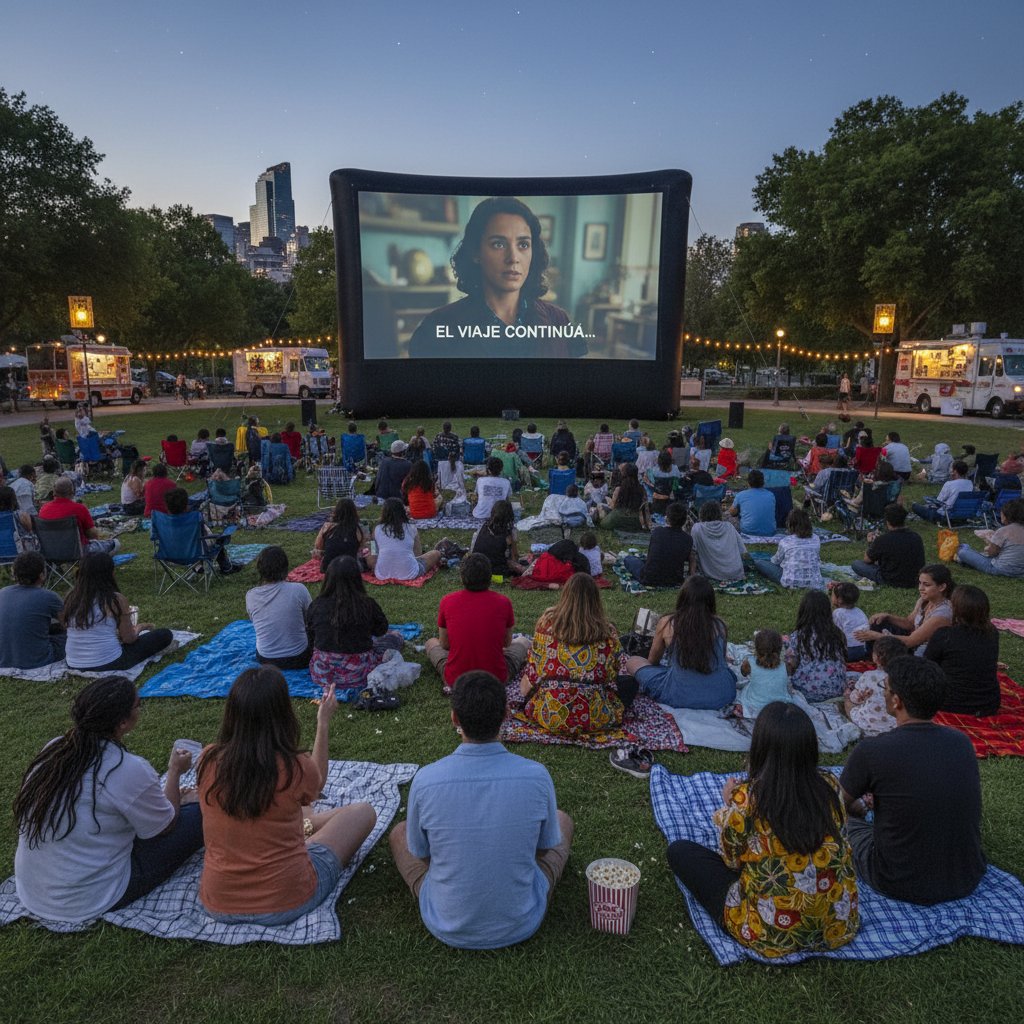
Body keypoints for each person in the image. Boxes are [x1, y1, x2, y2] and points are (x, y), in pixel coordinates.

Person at [389, 670, 573, 949]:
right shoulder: (537, 776)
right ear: (506, 714)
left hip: (445, 921)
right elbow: (545, 850)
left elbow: (421, 855)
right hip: (522, 920)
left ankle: (449, 896)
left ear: (454, 718)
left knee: (399, 833)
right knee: (562, 821)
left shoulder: (426, 780)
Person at [668, 702, 858, 958]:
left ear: (760, 747)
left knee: (680, 852)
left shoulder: (747, 799)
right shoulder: (831, 785)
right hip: (835, 924)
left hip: (769, 931)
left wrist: (729, 805)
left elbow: (731, 861)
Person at [13, 676, 203, 923]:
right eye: (137, 706)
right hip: (91, 896)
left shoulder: (55, 750)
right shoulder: (126, 768)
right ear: (123, 722)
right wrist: (175, 772)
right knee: (202, 812)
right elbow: (165, 827)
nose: (140, 710)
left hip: (35, 891)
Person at [198, 668, 376, 925]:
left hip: (218, 902)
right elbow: (318, 783)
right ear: (282, 712)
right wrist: (323, 722)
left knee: (301, 808)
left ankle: (305, 824)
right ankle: (306, 826)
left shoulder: (208, 759)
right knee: (362, 812)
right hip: (287, 898)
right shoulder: (295, 767)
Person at [840, 656, 986, 905]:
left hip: (897, 879)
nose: (883, 694)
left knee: (845, 825)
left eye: (884, 689)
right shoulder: (961, 743)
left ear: (896, 700)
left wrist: (855, 810)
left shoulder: (873, 750)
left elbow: (836, 804)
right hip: (965, 876)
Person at [408, 197, 579, 359]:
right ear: (476, 252)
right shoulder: (439, 325)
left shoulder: (558, 320)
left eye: (523, 244)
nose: (513, 257)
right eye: (498, 244)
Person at [517, 573, 629, 738]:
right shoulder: (607, 631)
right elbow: (612, 674)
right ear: (595, 599)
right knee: (629, 684)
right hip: (596, 717)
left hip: (550, 714)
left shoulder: (546, 624)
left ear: (565, 595)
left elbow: (535, 669)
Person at [625, 576, 736, 709]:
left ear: (683, 598)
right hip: (721, 696)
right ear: (711, 601)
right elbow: (721, 660)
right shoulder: (720, 625)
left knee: (633, 661)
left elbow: (653, 661)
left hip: (679, 696)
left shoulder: (668, 622)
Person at [426, 554, 530, 691]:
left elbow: (445, 644)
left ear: (462, 577)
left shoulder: (447, 601)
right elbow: (506, 643)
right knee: (523, 641)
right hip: (496, 678)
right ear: (489, 576)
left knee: (431, 642)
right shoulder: (504, 602)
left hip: (456, 679)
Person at [306, 556, 404, 695]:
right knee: (394, 637)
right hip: (358, 672)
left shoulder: (316, 605)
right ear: (357, 579)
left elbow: (311, 636)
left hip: (323, 672)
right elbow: (381, 629)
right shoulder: (366, 604)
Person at [62, 551, 173, 671]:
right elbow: (128, 638)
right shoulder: (114, 599)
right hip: (109, 662)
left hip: (73, 662)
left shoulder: (70, 597)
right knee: (164, 634)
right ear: (110, 573)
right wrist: (142, 626)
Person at [924, 584, 1000, 716]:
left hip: (949, 703)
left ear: (956, 609)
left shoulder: (944, 635)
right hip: (988, 704)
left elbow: (927, 667)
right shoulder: (992, 633)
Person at [854, 563, 954, 658]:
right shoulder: (925, 600)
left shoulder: (942, 614)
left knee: (880, 639)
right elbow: (909, 623)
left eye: (926, 585)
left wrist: (877, 636)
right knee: (879, 622)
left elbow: (910, 641)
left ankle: (873, 657)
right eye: (920, 583)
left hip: (922, 652)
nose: (920, 588)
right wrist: (888, 616)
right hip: (912, 641)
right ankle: (871, 655)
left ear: (942, 587)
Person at [245, 546, 312, 669]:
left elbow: (254, 621)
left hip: (265, 659)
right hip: (299, 657)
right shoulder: (298, 590)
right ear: (285, 567)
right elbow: (310, 619)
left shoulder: (251, 595)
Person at [0, 551, 66, 668]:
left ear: (14, 572)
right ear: (42, 575)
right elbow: (69, 625)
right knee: (67, 637)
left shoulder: (3, 592)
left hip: (4, 660)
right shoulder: (49, 597)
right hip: (37, 661)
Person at [785, 590, 848, 701]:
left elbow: (791, 663)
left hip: (807, 691)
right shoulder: (838, 634)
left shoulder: (800, 636)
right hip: (837, 687)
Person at [163, 487, 241, 575]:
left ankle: (197, 566)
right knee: (218, 541)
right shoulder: (195, 518)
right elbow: (207, 537)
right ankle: (226, 568)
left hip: (170, 556)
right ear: (186, 504)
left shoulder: (163, 521)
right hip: (194, 554)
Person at [38, 477, 120, 555]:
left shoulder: (43, 509)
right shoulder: (79, 508)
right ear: (72, 492)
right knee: (116, 543)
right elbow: (93, 535)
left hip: (51, 552)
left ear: (53, 492)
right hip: (77, 552)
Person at [843, 635, 905, 736]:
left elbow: (856, 699)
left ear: (876, 657)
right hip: (895, 726)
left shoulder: (868, 676)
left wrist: (850, 696)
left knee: (848, 701)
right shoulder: (904, 678)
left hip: (868, 725)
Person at [623, 501, 695, 586]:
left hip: (649, 578)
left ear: (667, 519)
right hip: (674, 580)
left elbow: (652, 555)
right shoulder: (688, 539)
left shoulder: (658, 532)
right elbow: (689, 558)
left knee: (629, 559)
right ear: (684, 521)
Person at [850, 503, 923, 587]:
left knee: (856, 564)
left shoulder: (883, 540)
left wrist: (871, 543)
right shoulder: (916, 536)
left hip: (891, 579)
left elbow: (867, 560)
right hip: (914, 579)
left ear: (887, 521)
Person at [751, 508, 824, 590]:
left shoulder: (785, 541)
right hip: (814, 582)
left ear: (790, 524)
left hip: (790, 582)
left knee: (759, 562)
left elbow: (775, 561)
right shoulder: (816, 539)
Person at [374, 498, 443, 581]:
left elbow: (374, 552)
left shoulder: (377, 529)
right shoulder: (411, 527)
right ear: (403, 511)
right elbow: (417, 553)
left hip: (382, 574)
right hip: (409, 573)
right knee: (436, 553)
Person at [957, 497, 1024, 576]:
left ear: (1007, 515)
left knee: (963, 551)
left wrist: (988, 546)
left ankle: (962, 552)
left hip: (998, 569)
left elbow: (992, 553)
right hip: (1021, 572)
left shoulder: (1003, 531)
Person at [736, 630, 793, 720]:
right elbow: (789, 674)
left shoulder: (749, 663)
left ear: (756, 648)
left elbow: (743, 673)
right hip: (780, 707)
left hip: (755, 706)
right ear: (780, 648)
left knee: (746, 690)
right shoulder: (786, 666)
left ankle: (741, 709)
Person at [690, 499, 746, 583]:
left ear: (701, 514)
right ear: (719, 513)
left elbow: (692, 552)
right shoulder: (729, 526)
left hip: (711, 574)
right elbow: (742, 551)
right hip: (735, 572)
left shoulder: (697, 528)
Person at [313, 497, 370, 574]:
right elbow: (364, 549)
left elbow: (318, 547)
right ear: (354, 511)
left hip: (328, 568)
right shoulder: (359, 528)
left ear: (336, 511)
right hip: (351, 569)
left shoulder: (327, 526)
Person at [470, 499, 522, 577]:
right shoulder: (509, 533)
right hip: (496, 570)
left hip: (475, 566)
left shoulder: (483, 526)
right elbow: (515, 557)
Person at [594, 462, 648, 531]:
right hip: (635, 520)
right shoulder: (642, 489)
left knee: (600, 509)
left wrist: (608, 500)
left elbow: (612, 507)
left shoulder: (619, 489)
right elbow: (644, 506)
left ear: (624, 473)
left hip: (617, 518)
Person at [729, 469, 776, 537]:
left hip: (747, 531)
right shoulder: (771, 495)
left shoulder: (741, 495)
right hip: (769, 531)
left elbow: (732, 512)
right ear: (763, 482)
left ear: (748, 482)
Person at [830, 581, 869, 661]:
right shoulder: (859, 611)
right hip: (862, 649)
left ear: (839, 600)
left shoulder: (837, 613)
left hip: (848, 651)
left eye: (832, 595)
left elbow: (834, 634)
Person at [472, 456, 513, 521]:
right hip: (499, 516)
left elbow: (477, 496)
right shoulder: (506, 482)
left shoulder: (480, 480)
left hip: (480, 515)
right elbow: (507, 500)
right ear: (501, 469)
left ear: (488, 470)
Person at [644, 449, 682, 513]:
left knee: (645, 482)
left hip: (659, 491)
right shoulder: (675, 469)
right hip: (670, 492)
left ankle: (650, 499)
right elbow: (677, 481)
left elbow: (650, 481)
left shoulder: (653, 471)